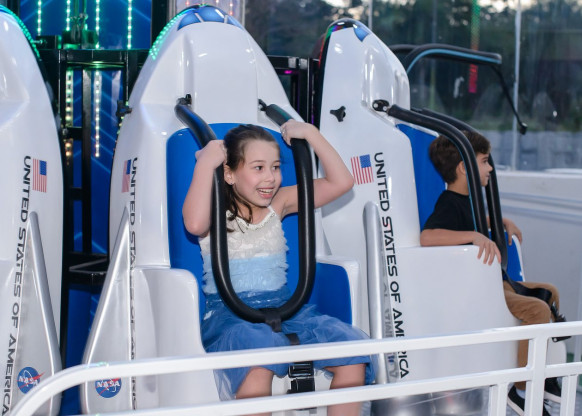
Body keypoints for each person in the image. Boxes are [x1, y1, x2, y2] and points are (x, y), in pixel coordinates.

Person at [183, 121, 374, 416]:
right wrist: (207, 163)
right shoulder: (214, 210)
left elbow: (341, 183)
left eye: (275, 167)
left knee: (350, 348)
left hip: (286, 309)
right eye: (258, 168)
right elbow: (195, 224)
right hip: (231, 313)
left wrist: (311, 134)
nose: (270, 178)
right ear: (230, 174)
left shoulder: (279, 202)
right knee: (259, 352)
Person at [419, 130, 562, 416]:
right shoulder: (449, 202)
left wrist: (499, 220)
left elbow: (470, 220)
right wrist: (473, 236)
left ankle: (545, 375)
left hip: (493, 283)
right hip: (480, 291)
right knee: (537, 309)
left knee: (550, 292)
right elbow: (428, 236)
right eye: (485, 161)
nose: (490, 168)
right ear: (464, 168)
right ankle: (522, 391)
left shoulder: (467, 201)